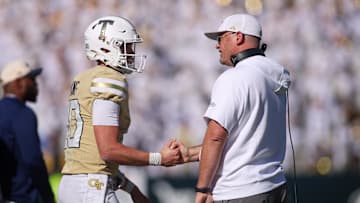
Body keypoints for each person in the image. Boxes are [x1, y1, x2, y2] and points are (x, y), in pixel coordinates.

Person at [58, 16, 182, 203]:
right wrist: (159, 158)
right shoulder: (109, 78)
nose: (131, 53)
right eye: (126, 46)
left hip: (74, 184)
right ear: (107, 46)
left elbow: (93, 154)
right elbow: (108, 150)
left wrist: (131, 189)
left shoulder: (83, 78)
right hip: (91, 187)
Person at [179, 14, 291, 203]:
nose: (217, 45)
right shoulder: (275, 74)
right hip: (275, 187)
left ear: (238, 37)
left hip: (240, 192)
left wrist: (203, 187)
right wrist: (189, 154)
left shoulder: (234, 77)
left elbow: (216, 137)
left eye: (221, 38)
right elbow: (245, 142)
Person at [0, 60, 55, 203]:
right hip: (23, 198)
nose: (36, 84)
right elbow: (32, 159)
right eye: (31, 79)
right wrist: (48, 197)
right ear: (18, 82)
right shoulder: (22, 113)